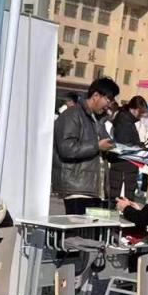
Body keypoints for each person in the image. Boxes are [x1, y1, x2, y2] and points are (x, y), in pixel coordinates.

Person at [53, 76, 116, 214]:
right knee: (76, 227)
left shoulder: (98, 120)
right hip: (77, 189)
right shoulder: (72, 115)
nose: (109, 105)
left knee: (92, 228)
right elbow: (66, 148)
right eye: (108, 100)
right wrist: (97, 146)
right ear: (96, 95)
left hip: (94, 189)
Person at [106, 95, 148, 201]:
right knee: (121, 201)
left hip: (126, 168)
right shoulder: (124, 121)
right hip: (123, 169)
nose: (141, 117)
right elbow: (123, 146)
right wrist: (140, 147)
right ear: (135, 110)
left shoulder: (127, 120)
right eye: (141, 113)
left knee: (125, 200)